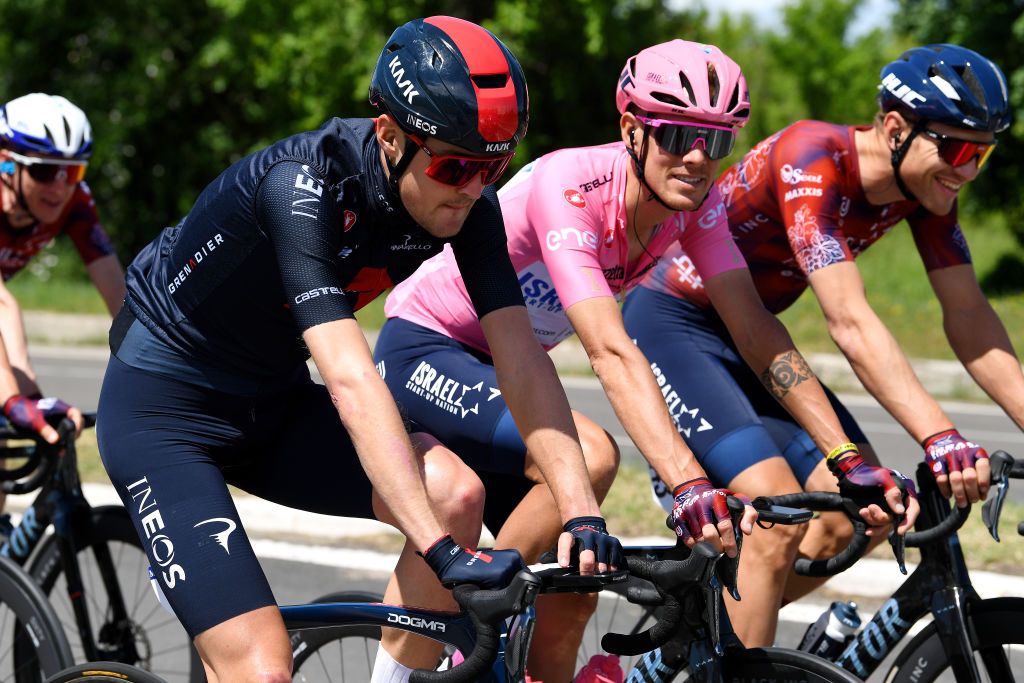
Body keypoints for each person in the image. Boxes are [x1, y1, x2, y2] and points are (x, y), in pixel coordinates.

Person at [96, 16, 621, 683]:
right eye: (456, 164)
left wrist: (579, 506)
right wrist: (436, 550)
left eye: (494, 167)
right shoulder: (301, 186)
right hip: (163, 414)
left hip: (269, 401)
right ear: (389, 136)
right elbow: (349, 376)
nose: (473, 187)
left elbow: (521, 358)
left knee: (456, 493)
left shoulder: (467, 205)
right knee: (261, 669)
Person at [376, 38, 913, 681]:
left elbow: (756, 331)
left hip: (514, 375)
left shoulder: (696, 206)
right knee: (594, 453)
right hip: (427, 346)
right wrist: (689, 485)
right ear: (632, 130)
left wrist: (844, 459)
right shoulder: (570, 186)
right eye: (676, 136)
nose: (695, 158)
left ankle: (500, 631)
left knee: (575, 591)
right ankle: (473, 615)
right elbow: (609, 348)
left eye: (715, 142)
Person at [623, 43, 1013, 646]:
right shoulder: (811, 157)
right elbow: (850, 321)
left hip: (756, 342)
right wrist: (942, 437)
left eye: (981, 155)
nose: (965, 171)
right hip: (674, 322)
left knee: (862, 510)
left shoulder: (928, 189)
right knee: (777, 510)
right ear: (894, 128)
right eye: (957, 148)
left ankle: (705, 631)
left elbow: (970, 316)